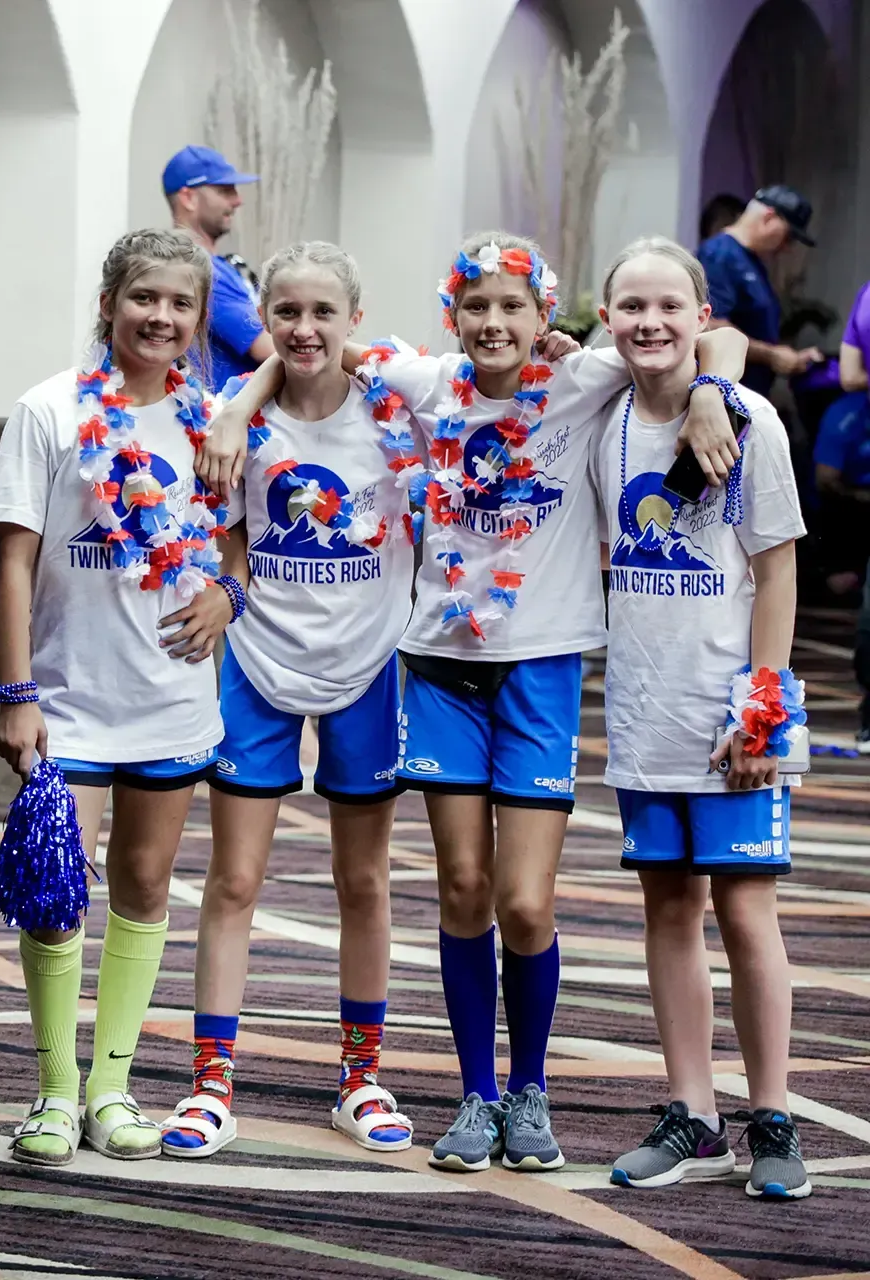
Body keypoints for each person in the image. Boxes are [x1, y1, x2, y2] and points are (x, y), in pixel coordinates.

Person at [210, 231, 744, 1174]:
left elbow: (719, 337)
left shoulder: (586, 383)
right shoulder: (422, 382)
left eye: (513, 307)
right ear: (452, 316)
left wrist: (708, 389)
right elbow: (304, 352)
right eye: (476, 307)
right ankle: (475, 1095)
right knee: (461, 889)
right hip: (441, 667)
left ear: (547, 321)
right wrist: (243, 400)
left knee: (527, 903)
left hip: (540, 669)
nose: (494, 324)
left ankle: (528, 1089)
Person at [161, 242, 416, 1160]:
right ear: (261, 318)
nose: (304, 330)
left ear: (356, 317)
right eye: (285, 314)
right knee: (232, 881)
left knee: (365, 881)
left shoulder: (401, 416)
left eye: (323, 313)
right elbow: (224, 540)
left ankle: (361, 1076)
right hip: (256, 660)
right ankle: (210, 1082)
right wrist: (242, 400)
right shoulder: (237, 428)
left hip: (371, 662)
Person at [0, 227, 236, 1165]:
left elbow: (238, 540)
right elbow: (9, 561)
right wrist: (15, 691)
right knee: (57, 888)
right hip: (69, 694)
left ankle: (112, 1089)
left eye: (180, 304)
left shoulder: (214, 422)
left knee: (142, 883)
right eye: (145, 299)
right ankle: (53, 1090)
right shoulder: (48, 410)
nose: (161, 317)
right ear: (109, 303)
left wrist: (228, 593)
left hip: (170, 692)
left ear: (198, 317)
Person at [592, 236, 809, 1201]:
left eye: (670, 306)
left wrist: (763, 710)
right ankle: (693, 1113)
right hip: (644, 716)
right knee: (668, 912)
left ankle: (773, 1114)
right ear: (606, 320)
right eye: (631, 306)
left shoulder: (749, 417)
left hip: (732, 719)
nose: (651, 323)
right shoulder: (601, 415)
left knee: (747, 913)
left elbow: (777, 568)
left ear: (702, 315)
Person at [163, 145, 272, 389]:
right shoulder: (195, 268)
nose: (237, 200)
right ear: (188, 198)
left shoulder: (217, 265)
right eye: (225, 190)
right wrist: (369, 363)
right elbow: (269, 348)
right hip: (218, 415)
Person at [699, 186, 823, 393]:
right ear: (769, 218)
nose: (787, 247)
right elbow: (713, 326)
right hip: (725, 394)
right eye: (788, 236)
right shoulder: (719, 255)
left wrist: (787, 357)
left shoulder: (752, 261)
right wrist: (772, 355)